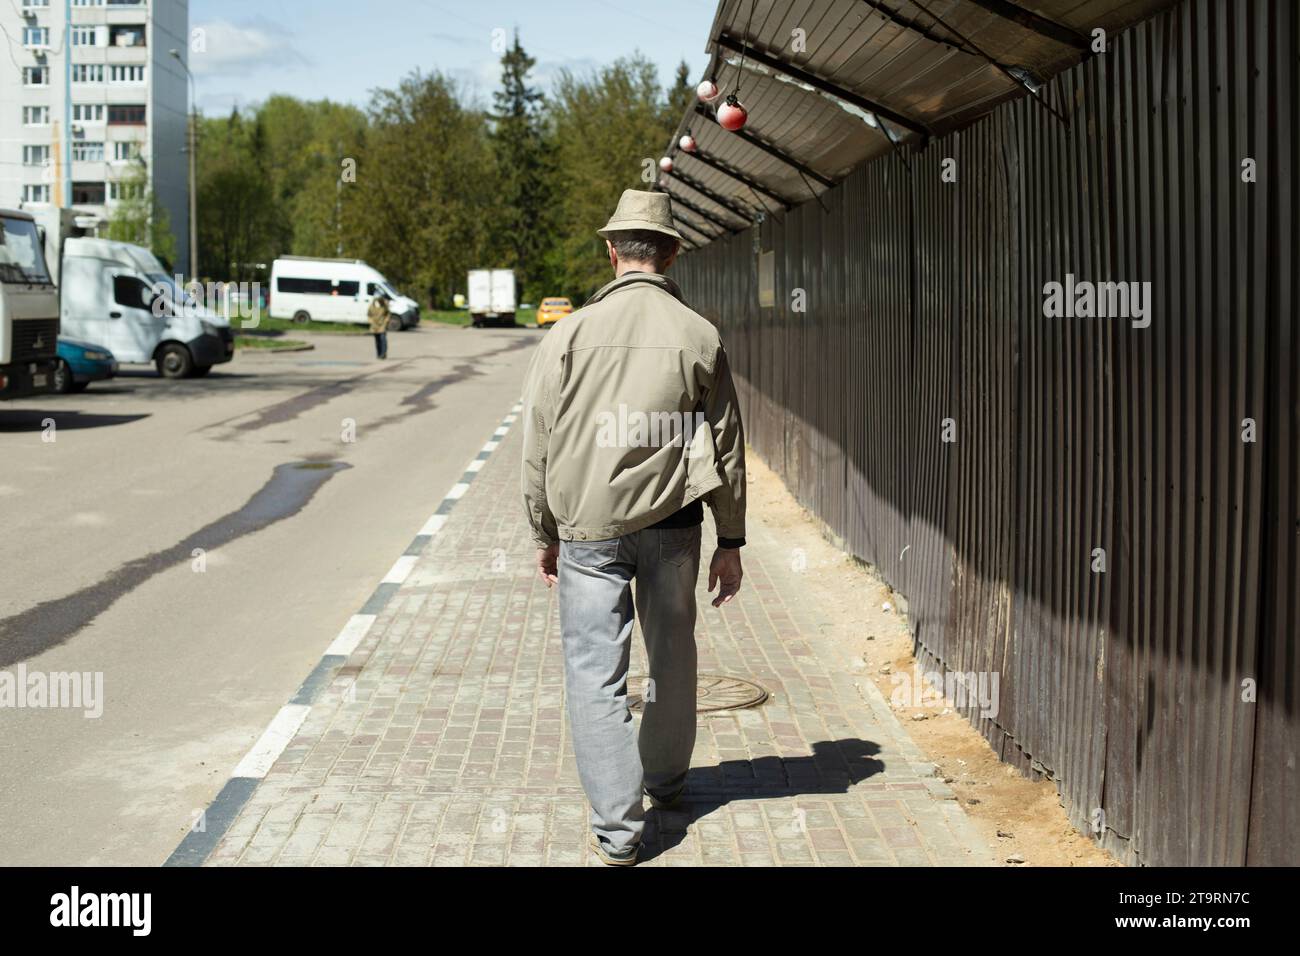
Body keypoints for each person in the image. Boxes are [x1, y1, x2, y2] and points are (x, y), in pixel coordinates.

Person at [521, 188, 746, 866]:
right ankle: (669, 783)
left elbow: (538, 440)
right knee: (673, 656)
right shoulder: (700, 335)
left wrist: (543, 531)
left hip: (588, 528)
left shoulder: (567, 333)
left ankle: (619, 833)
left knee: (595, 671)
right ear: (672, 253)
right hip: (675, 523)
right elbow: (729, 447)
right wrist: (731, 541)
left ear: (613, 251)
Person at [367, 294, 390, 359]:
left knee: (383, 339)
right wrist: (370, 321)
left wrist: (386, 321)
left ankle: (383, 353)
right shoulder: (372, 306)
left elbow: (388, 314)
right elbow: (369, 314)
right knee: (377, 340)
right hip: (374, 325)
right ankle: (378, 353)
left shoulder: (384, 305)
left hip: (382, 324)